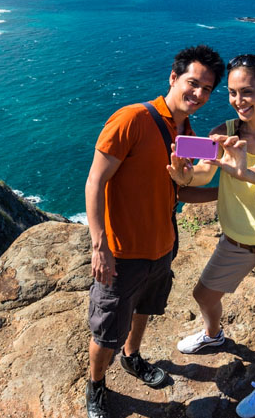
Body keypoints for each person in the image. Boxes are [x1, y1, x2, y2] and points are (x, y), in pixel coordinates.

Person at [84, 45, 225, 418]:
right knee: (107, 327)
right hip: (122, 251)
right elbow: (95, 181)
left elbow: (181, 189)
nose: (198, 94)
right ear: (173, 77)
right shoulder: (131, 118)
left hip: (162, 247)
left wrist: (227, 192)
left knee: (144, 308)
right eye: (192, 83)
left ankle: (132, 358)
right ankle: (96, 385)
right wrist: (99, 246)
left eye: (207, 89)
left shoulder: (188, 135)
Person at [167, 53, 255, 418]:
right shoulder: (221, 133)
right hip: (237, 242)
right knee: (203, 294)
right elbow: (199, 174)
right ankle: (213, 334)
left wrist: (244, 172)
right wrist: (184, 176)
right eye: (231, 93)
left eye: (247, 92)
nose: (239, 101)